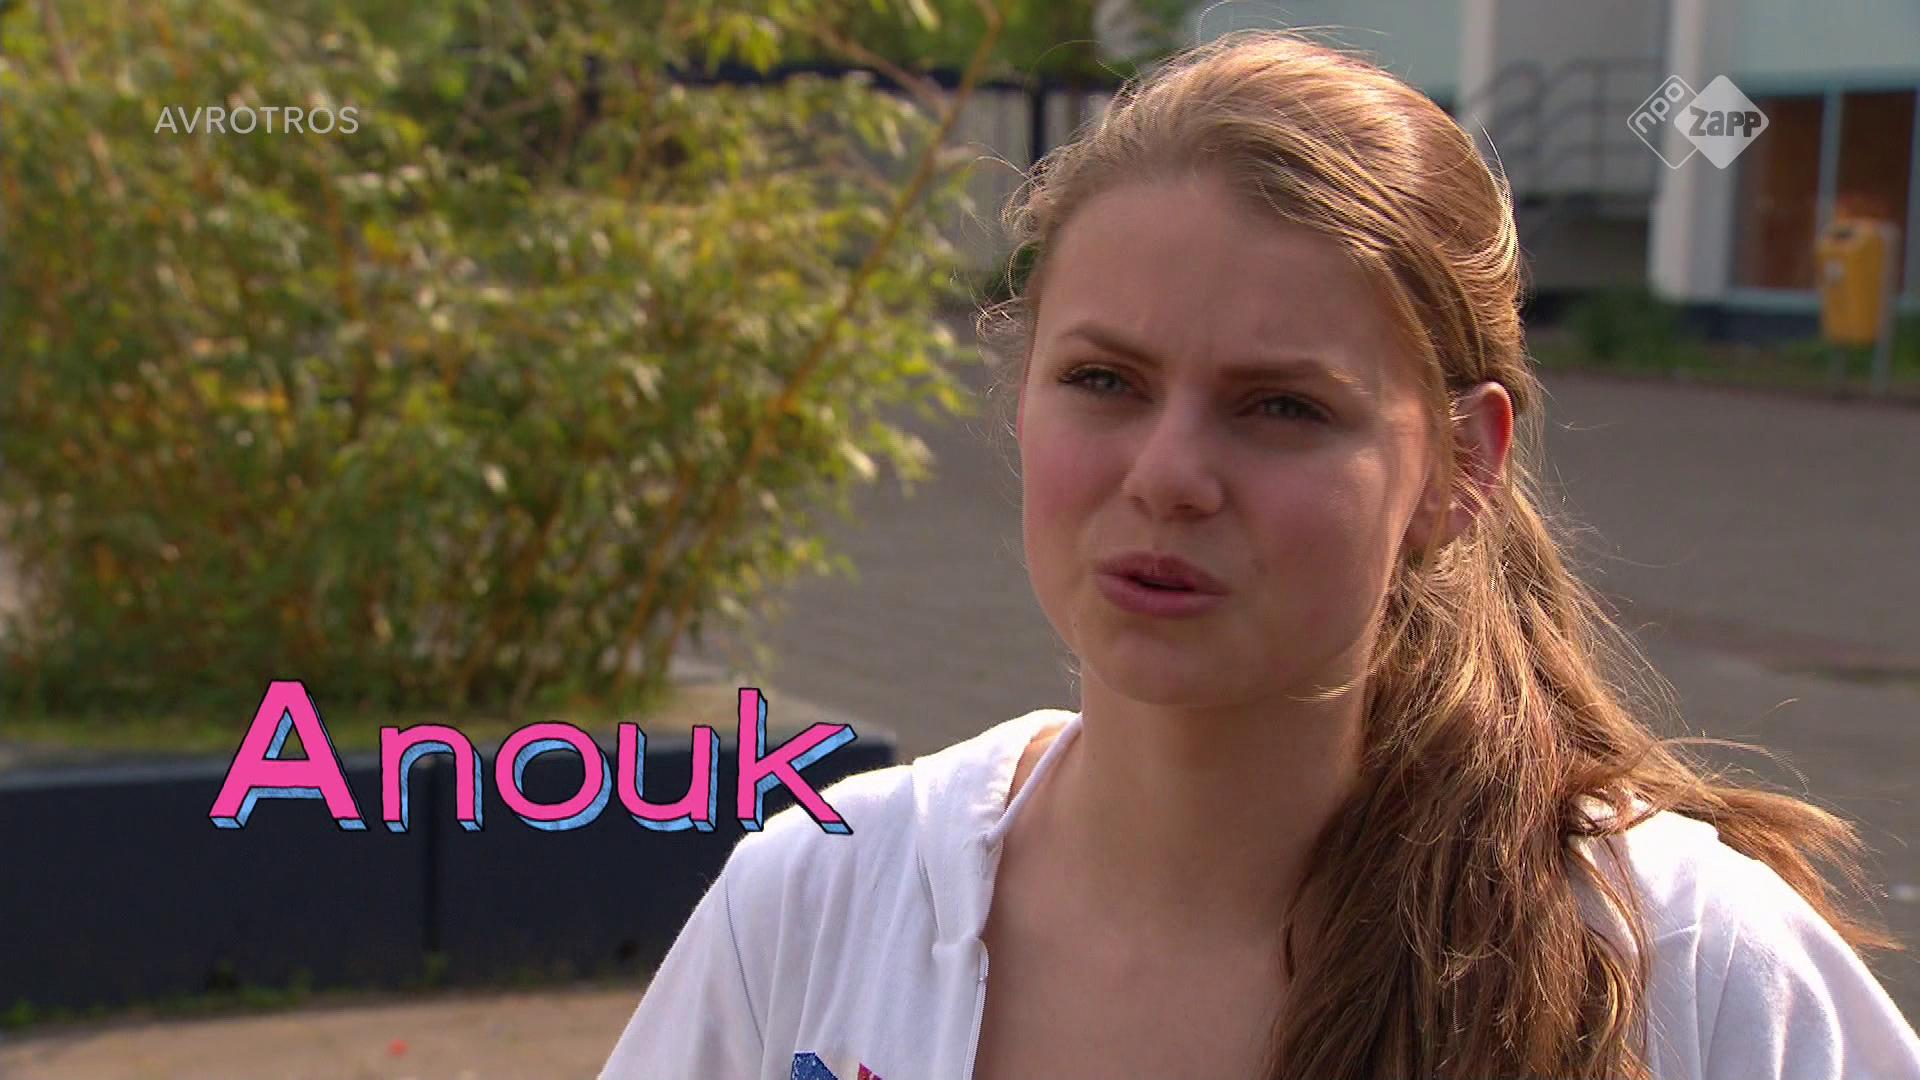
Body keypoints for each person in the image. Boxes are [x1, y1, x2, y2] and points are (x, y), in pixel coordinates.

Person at [600, 30, 1920, 1080]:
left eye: (1281, 406)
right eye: (1105, 380)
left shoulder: (1681, 966)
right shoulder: (820, 905)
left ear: (1462, 464)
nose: (1167, 474)